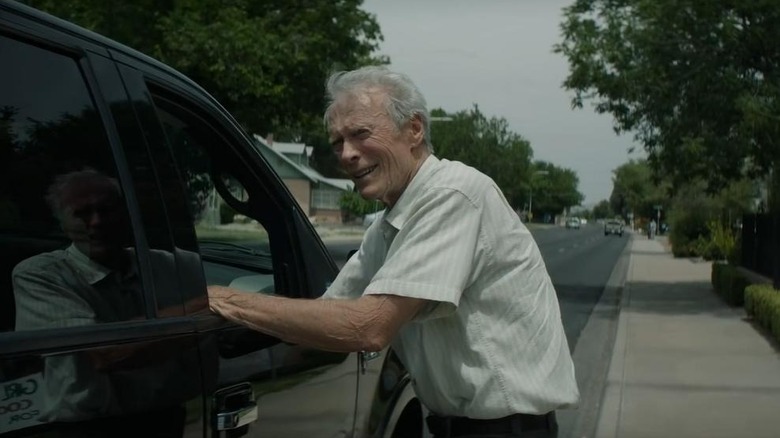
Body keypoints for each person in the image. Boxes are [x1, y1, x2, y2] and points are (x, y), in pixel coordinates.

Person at [208, 66, 579, 437]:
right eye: (337, 142)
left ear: (414, 130)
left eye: (360, 134)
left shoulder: (453, 195)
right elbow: (330, 312)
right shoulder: (391, 223)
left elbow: (368, 327)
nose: (347, 154)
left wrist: (224, 299)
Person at [12, 169, 195, 433]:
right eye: (82, 213)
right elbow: (103, 353)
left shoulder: (174, 265)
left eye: (106, 210)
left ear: (126, 214)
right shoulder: (40, 274)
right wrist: (213, 305)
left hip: (167, 420)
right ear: (62, 222)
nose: (96, 221)